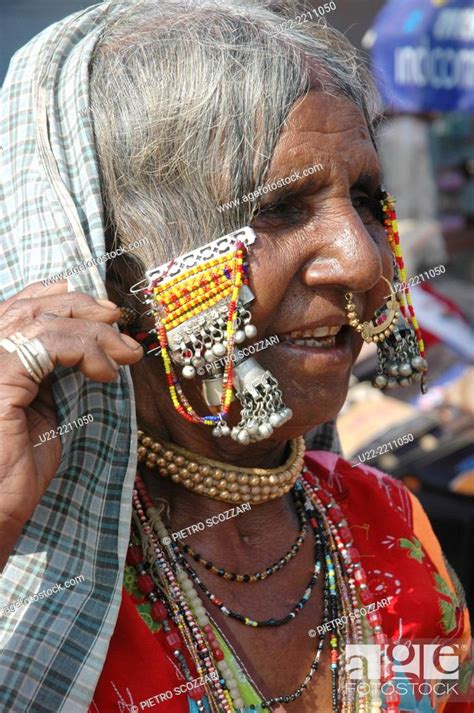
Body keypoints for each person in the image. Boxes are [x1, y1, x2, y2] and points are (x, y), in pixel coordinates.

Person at [0, 2, 470, 712]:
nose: (361, 260)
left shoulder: (387, 521)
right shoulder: (30, 555)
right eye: (279, 207)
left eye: (368, 200)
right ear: (120, 267)